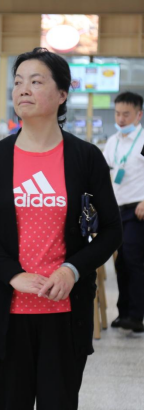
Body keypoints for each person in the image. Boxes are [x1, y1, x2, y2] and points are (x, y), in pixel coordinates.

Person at [0, 47, 123, 410]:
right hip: (9, 310)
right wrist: (13, 275)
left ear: (62, 94)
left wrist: (72, 270)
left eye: (36, 82)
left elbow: (111, 230)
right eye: (18, 82)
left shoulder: (85, 157)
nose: (23, 89)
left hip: (66, 311)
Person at [103, 91, 144, 333]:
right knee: (120, 262)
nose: (120, 119)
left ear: (139, 115)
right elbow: (105, 172)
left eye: (126, 114)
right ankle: (123, 312)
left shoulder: (142, 140)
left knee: (133, 260)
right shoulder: (113, 141)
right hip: (116, 209)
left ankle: (136, 316)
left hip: (138, 209)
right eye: (117, 113)